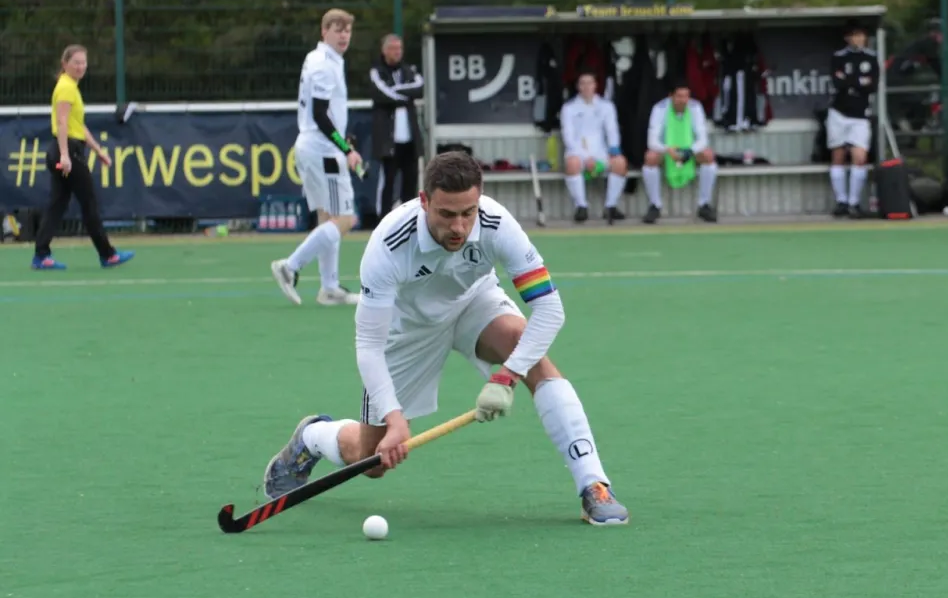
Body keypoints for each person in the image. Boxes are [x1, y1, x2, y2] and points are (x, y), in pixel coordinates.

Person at [261, 151, 628, 526]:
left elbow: (551, 310)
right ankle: (313, 436)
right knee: (370, 460)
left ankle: (594, 486)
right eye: (447, 214)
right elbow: (369, 347)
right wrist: (395, 418)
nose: (459, 227)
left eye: (468, 213)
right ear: (424, 202)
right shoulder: (388, 244)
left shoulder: (496, 222)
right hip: (410, 328)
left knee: (529, 350)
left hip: (475, 302)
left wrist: (507, 375)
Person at [271, 9, 363, 306]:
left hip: (313, 146)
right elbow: (320, 115)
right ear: (324, 31)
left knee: (327, 217)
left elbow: (325, 114)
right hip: (323, 150)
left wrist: (342, 139)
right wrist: (346, 148)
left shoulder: (319, 58)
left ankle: (329, 288)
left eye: (347, 30)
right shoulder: (325, 65)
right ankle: (290, 266)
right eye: (337, 29)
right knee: (345, 219)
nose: (344, 35)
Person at [31, 45, 134, 271]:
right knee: (89, 203)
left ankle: (40, 255)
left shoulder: (71, 87)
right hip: (66, 151)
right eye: (76, 62)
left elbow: (78, 126)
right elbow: (62, 124)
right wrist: (66, 155)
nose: (80, 67)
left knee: (57, 205)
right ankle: (108, 255)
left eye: (83, 62)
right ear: (65, 63)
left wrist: (98, 151)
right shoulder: (66, 88)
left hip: (65, 149)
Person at [641, 83, 718, 224]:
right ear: (671, 96)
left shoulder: (695, 107)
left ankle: (704, 204)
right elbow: (652, 140)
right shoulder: (659, 108)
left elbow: (703, 139)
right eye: (679, 96)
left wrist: (689, 151)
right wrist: (667, 150)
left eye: (686, 96)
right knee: (650, 158)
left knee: (708, 156)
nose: (683, 100)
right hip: (666, 151)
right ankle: (655, 205)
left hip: (689, 150)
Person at [368, 34, 425, 220]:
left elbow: (420, 87)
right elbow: (381, 93)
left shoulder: (410, 71)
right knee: (388, 183)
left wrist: (396, 90)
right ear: (384, 51)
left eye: (399, 48)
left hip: (410, 141)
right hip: (389, 142)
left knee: (410, 183)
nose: (397, 52)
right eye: (393, 48)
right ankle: (382, 221)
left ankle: (409, 221)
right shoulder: (376, 71)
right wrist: (405, 94)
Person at [559, 71, 628, 224]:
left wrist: (613, 150)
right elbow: (568, 137)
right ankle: (581, 207)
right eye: (582, 83)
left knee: (620, 163)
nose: (586, 87)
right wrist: (585, 157)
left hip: (601, 153)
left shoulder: (606, 106)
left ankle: (610, 207)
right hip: (577, 153)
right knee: (572, 164)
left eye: (590, 83)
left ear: (595, 85)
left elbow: (612, 131)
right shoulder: (569, 108)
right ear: (578, 86)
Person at [827, 21, 880, 218]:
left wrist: (851, 80)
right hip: (839, 113)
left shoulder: (871, 57)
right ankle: (841, 202)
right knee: (838, 156)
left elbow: (872, 84)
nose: (857, 39)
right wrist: (858, 81)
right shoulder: (839, 57)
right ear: (847, 38)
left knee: (860, 157)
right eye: (853, 35)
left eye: (861, 35)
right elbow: (838, 82)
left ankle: (854, 203)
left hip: (861, 114)